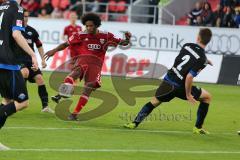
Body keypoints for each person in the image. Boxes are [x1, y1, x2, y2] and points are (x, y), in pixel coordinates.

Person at [124, 28, 213, 135]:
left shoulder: (187, 45)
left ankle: (134, 123)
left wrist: (205, 61)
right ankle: (198, 128)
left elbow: (188, 58)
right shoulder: (202, 59)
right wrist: (188, 95)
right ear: (209, 41)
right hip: (181, 87)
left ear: (198, 37)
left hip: (169, 80)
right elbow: (189, 77)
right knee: (207, 97)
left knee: (154, 101)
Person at [44, 13, 131, 120]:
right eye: (87, 26)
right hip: (82, 62)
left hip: (96, 66)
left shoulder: (106, 36)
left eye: (91, 26)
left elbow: (123, 43)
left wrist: (127, 39)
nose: (89, 28)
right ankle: (63, 92)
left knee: (87, 90)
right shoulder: (80, 35)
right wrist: (53, 51)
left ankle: (74, 114)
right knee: (71, 76)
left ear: (97, 25)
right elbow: (66, 44)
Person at [0, 0, 38, 129]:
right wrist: (33, 54)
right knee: (23, 102)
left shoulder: (1, 7)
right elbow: (16, 34)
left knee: (7, 101)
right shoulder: (17, 8)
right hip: (7, 62)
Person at [17, 9, 53, 113]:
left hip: (30, 61)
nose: (25, 18)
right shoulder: (14, 30)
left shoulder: (32, 31)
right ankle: (20, 101)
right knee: (24, 73)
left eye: (27, 16)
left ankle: (45, 107)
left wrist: (42, 60)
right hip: (17, 60)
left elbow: (39, 45)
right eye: (24, 16)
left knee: (40, 78)